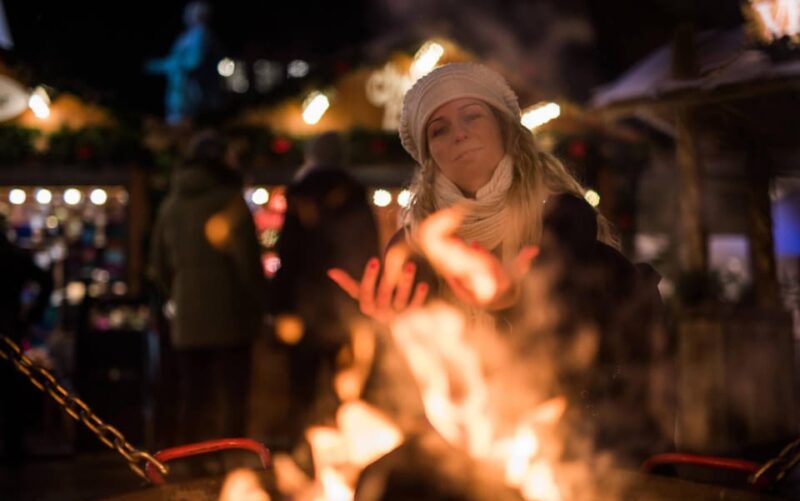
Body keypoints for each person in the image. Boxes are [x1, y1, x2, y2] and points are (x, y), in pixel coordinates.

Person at [328, 63, 673, 464]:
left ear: (506, 131)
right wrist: (388, 334)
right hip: (460, 464)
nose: (459, 133)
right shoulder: (412, 251)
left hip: (564, 462)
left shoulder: (561, 222)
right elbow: (399, 399)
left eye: (473, 116)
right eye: (439, 129)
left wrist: (517, 300)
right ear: (429, 155)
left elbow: (609, 349)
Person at [148, 130, 264, 445]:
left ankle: (191, 460)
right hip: (230, 315)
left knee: (193, 395)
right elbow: (248, 265)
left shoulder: (171, 205)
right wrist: (259, 305)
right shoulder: (229, 201)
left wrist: (178, 294)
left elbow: (157, 265)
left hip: (187, 317)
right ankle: (230, 463)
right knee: (232, 395)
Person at [270, 131, 380, 443]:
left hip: (305, 308)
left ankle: (301, 447)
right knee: (345, 387)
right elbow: (369, 254)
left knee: (300, 387)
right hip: (344, 309)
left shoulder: (299, 195)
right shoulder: (355, 196)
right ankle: (344, 451)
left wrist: (281, 307)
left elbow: (287, 257)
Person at [0, 215, 53, 464]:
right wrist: (32, 316)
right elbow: (46, 280)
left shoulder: (14, 257)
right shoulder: (15, 256)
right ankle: (14, 446)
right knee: (12, 389)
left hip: (10, 327)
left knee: (12, 388)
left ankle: (13, 445)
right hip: (10, 326)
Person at [144, 1, 223, 125]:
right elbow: (178, 60)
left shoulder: (201, 35)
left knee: (184, 128)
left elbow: (193, 63)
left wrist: (162, 65)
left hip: (191, 94)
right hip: (180, 92)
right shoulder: (187, 36)